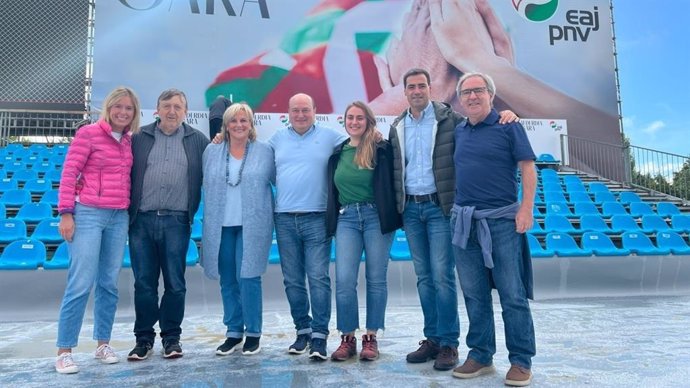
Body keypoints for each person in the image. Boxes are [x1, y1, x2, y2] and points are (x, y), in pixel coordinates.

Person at [388, 68, 517, 372]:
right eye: (411, 87)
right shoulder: (397, 125)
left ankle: (449, 343)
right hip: (411, 210)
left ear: (430, 88)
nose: (417, 91)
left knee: (442, 276)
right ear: (405, 92)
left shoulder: (450, 121)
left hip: (440, 208)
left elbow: (481, 126)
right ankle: (432, 338)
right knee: (423, 277)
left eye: (421, 86)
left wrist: (505, 114)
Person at [449, 72, 536, 387]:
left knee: (513, 294)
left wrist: (525, 208)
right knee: (474, 293)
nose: (472, 96)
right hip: (464, 223)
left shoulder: (508, 125)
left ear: (490, 95)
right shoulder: (458, 131)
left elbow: (528, 166)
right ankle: (481, 355)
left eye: (478, 90)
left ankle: (521, 360)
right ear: (460, 99)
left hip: (502, 222)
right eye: (466, 92)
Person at [54, 86, 140, 374]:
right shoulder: (88, 134)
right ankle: (64, 350)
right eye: (119, 107)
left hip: (118, 217)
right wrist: (66, 213)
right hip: (88, 214)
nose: (123, 112)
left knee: (109, 284)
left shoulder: (130, 141)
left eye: (129, 108)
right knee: (80, 283)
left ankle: (103, 344)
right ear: (109, 108)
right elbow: (69, 172)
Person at [127, 88, 209, 360]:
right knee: (144, 284)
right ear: (157, 109)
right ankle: (143, 339)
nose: (172, 111)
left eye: (178, 106)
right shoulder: (139, 137)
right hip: (142, 221)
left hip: (176, 221)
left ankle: (171, 339)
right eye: (167, 106)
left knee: (175, 283)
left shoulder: (199, 141)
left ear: (186, 111)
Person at [270, 93, 347, 360]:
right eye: (295, 110)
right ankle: (302, 330)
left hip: (317, 218)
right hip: (284, 218)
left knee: (318, 277)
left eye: (305, 110)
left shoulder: (331, 137)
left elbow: (358, 143)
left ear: (315, 111)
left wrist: (377, 137)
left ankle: (319, 336)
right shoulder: (276, 139)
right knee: (292, 279)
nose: (300, 115)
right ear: (287, 112)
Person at [325, 101, 402, 361]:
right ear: (344, 121)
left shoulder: (382, 149)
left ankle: (371, 337)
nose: (354, 122)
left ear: (368, 121)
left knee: (376, 278)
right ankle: (348, 338)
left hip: (375, 217)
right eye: (350, 118)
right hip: (347, 218)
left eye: (360, 118)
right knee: (345, 280)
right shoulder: (338, 152)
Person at [201, 102, 275, 356]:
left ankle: (253, 332)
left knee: (249, 277)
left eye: (244, 120)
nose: (239, 125)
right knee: (228, 279)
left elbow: (279, 180)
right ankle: (233, 331)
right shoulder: (212, 150)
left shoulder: (265, 151)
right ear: (226, 125)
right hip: (220, 225)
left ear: (251, 124)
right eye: (233, 121)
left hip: (252, 225)